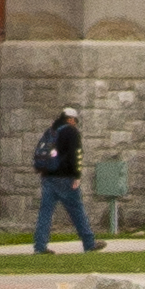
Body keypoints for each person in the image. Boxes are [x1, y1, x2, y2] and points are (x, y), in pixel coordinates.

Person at [29, 105, 98, 259]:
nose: (75, 123)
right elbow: (77, 155)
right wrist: (77, 175)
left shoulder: (51, 131)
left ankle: (40, 247)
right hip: (65, 178)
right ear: (71, 119)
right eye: (75, 120)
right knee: (77, 211)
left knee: (45, 213)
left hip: (48, 178)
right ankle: (89, 243)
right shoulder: (71, 132)